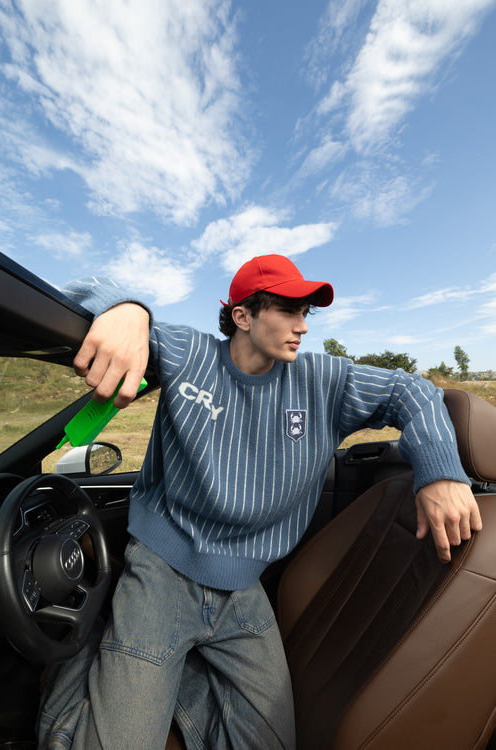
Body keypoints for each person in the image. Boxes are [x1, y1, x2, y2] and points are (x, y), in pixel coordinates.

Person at [39, 254, 482, 750]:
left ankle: (147, 667)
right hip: (159, 576)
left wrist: (440, 473)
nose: (302, 327)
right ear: (244, 316)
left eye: (307, 313)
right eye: (290, 310)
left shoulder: (324, 380)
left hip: (246, 592)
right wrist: (128, 310)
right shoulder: (190, 355)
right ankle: (78, 657)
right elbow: (81, 289)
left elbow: (412, 391)